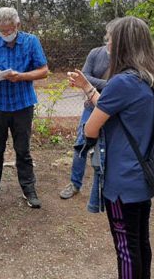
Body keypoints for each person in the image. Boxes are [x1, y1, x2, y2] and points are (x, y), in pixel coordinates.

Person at [68, 16, 154, 279]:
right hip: (143, 174)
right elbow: (115, 106)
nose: (107, 44)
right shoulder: (151, 77)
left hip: (122, 180)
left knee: (126, 248)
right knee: (140, 242)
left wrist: (92, 107)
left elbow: (91, 127)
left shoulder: (122, 81)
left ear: (122, 44)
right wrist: (88, 86)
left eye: (110, 39)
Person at [0, 7, 48, 209]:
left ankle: (29, 189)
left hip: (22, 105)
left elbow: (44, 71)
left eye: (9, 30)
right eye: (2, 30)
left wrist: (21, 76)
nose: (6, 34)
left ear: (17, 25)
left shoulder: (31, 41)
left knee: (23, 150)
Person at [59, 20, 114, 201]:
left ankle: (109, 185)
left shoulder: (128, 59)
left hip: (115, 111)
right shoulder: (95, 53)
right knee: (81, 145)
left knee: (113, 148)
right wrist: (109, 85)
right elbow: (84, 76)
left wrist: (90, 84)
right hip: (91, 107)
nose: (108, 40)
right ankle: (75, 183)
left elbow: (88, 80)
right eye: (108, 35)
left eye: (111, 36)